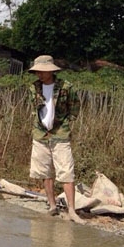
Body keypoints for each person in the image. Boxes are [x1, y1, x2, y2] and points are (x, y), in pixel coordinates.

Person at [28, 55, 86, 224]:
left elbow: (75, 106)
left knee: (66, 171)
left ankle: (72, 211)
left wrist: (67, 122)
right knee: (45, 171)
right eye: (37, 71)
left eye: (42, 71)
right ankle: (52, 206)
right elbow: (34, 108)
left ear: (50, 71)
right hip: (40, 133)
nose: (39, 74)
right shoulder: (34, 87)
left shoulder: (65, 87)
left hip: (60, 132)